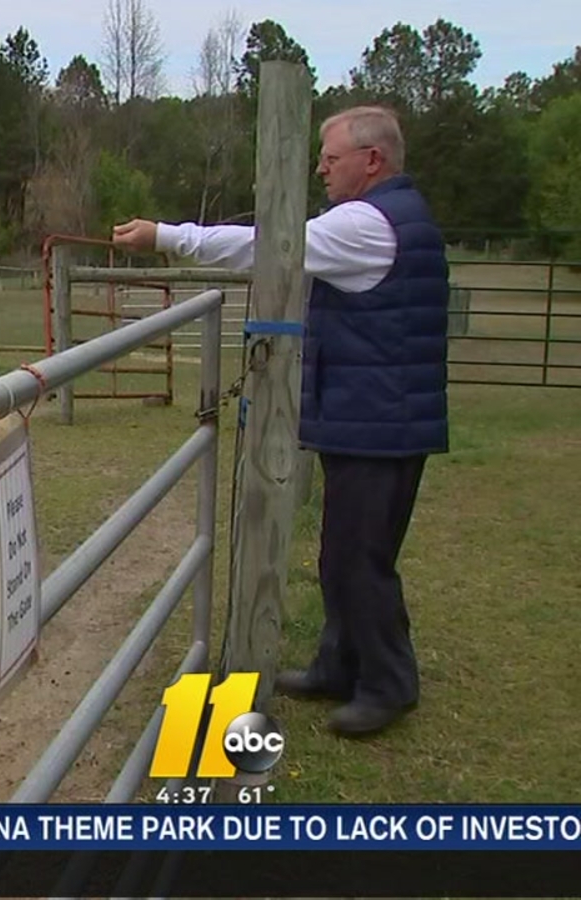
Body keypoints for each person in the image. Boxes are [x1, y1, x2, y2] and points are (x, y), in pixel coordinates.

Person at [110, 105, 449, 737]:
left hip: (379, 419)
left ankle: (388, 683)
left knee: (360, 557)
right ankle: (339, 664)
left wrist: (168, 236)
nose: (321, 169)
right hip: (376, 415)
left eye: (331, 157)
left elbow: (270, 246)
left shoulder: (366, 224)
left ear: (372, 160)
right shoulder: (391, 216)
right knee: (344, 552)